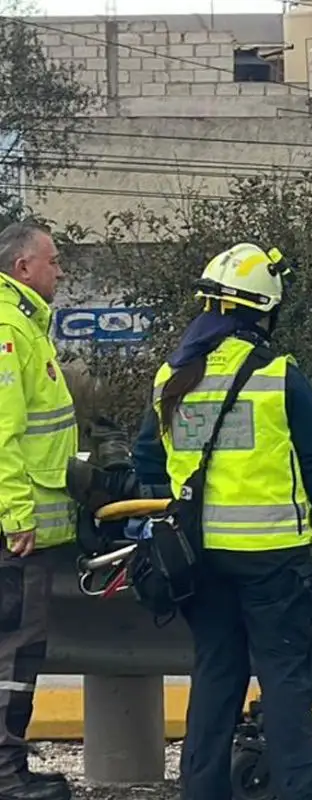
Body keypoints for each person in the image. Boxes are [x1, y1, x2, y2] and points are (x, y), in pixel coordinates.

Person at [130, 243, 312, 800]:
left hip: (199, 560)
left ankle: (201, 791)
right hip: (272, 559)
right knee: (284, 680)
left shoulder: (170, 376)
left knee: (215, 678)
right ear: (263, 310)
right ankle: (302, 790)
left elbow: (147, 463)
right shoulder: (278, 374)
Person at [0, 221, 75, 800]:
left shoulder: (26, 325)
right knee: (12, 651)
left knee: (20, 649)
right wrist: (16, 514)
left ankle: (10, 766)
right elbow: (3, 432)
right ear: (23, 267)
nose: (59, 271)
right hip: (14, 532)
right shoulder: (8, 328)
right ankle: (5, 773)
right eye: (52, 261)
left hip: (27, 524)